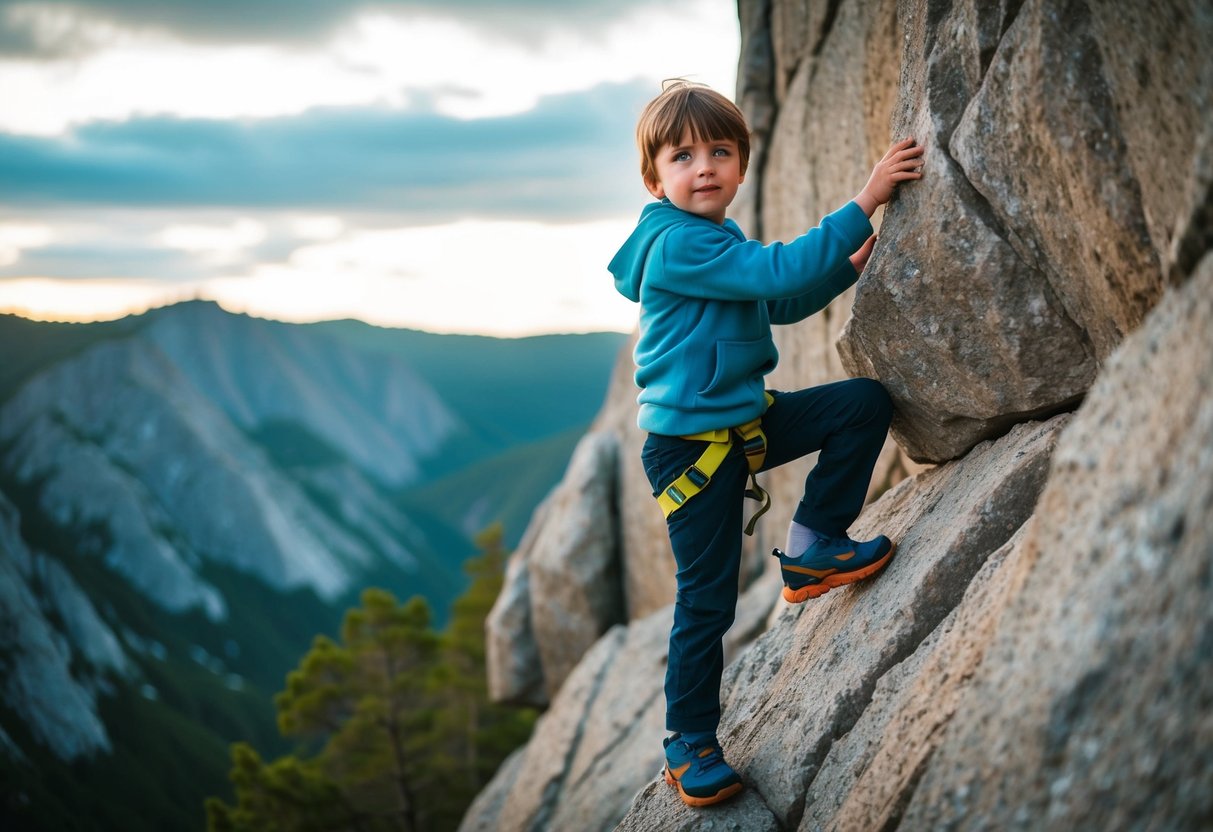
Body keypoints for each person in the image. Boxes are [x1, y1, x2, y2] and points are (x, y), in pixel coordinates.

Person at [608, 80, 924, 807]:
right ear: (656, 179)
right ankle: (688, 744)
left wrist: (843, 270)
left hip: (740, 422)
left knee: (859, 404)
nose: (705, 166)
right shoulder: (678, 243)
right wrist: (866, 198)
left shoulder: (713, 239)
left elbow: (776, 299)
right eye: (682, 156)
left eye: (720, 150)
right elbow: (776, 272)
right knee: (707, 602)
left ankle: (813, 547)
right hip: (691, 451)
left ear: (742, 166)